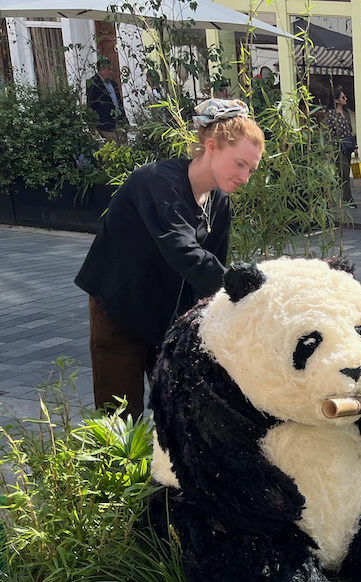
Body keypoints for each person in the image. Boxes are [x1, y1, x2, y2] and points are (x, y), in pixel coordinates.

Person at [75, 99, 264, 419]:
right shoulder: (158, 181)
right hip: (120, 308)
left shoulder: (219, 201)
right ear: (212, 147)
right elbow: (184, 252)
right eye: (240, 164)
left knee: (181, 413)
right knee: (119, 418)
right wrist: (245, 289)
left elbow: (210, 275)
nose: (245, 177)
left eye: (251, 169)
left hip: (169, 313)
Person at [323, 88, 355, 207]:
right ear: (336, 100)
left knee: (345, 173)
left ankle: (343, 198)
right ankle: (347, 198)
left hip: (348, 145)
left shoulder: (346, 112)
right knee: (343, 173)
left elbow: (349, 129)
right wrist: (330, 149)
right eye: (343, 97)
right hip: (337, 147)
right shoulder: (330, 113)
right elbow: (327, 132)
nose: (345, 99)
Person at [87, 58, 124, 134]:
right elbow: (91, 105)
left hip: (118, 123)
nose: (111, 72)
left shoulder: (113, 83)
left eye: (111, 70)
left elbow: (119, 101)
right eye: (108, 69)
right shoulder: (93, 83)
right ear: (101, 70)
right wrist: (92, 125)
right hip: (103, 125)